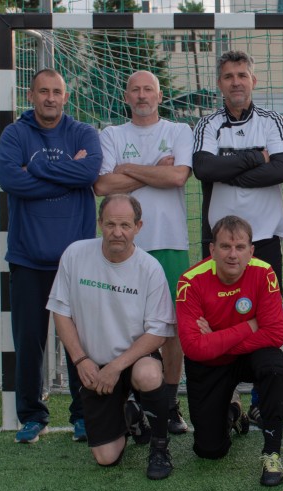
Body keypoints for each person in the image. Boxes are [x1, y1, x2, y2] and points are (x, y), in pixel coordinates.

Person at [0, 68, 102, 444]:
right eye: (43, 91)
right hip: (28, 256)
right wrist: (66, 174)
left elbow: (89, 172)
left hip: (75, 258)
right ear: (31, 95)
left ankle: (83, 414)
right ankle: (32, 415)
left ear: (65, 97)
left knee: (80, 341)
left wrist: (38, 168)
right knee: (29, 340)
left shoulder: (83, 132)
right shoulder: (15, 134)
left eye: (57, 91)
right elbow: (10, 179)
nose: (50, 98)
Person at [47, 194, 175, 480]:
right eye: (111, 224)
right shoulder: (75, 254)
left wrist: (116, 367)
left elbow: (158, 333)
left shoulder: (149, 268)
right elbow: (61, 312)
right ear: (99, 224)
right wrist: (81, 360)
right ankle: (131, 415)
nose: (118, 232)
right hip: (94, 365)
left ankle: (159, 448)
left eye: (125, 225)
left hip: (134, 358)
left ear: (138, 227)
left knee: (148, 375)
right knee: (106, 458)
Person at [94, 70, 192, 436]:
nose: (141, 95)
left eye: (148, 89)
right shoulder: (112, 134)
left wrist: (130, 170)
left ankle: (169, 402)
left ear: (159, 95)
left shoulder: (179, 131)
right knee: (124, 324)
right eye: (134, 89)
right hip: (123, 245)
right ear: (126, 96)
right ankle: (129, 400)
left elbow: (177, 177)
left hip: (170, 242)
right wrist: (154, 170)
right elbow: (104, 185)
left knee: (172, 328)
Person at [176, 215, 283, 487]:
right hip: (210, 363)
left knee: (275, 368)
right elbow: (193, 347)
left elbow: (276, 333)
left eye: (240, 247)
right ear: (212, 249)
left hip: (247, 356)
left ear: (251, 251)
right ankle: (234, 412)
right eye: (225, 246)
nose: (232, 254)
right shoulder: (190, 281)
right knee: (209, 450)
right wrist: (249, 325)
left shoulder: (264, 272)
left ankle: (272, 453)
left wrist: (215, 339)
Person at [192, 50, 283, 289]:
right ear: (219, 83)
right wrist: (256, 157)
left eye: (242, 75)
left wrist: (227, 174)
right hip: (219, 240)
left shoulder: (273, 121)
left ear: (253, 80)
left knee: (267, 308)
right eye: (228, 77)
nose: (235, 82)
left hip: (264, 237)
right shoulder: (207, 124)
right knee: (218, 307)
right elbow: (204, 169)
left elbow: (281, 170)